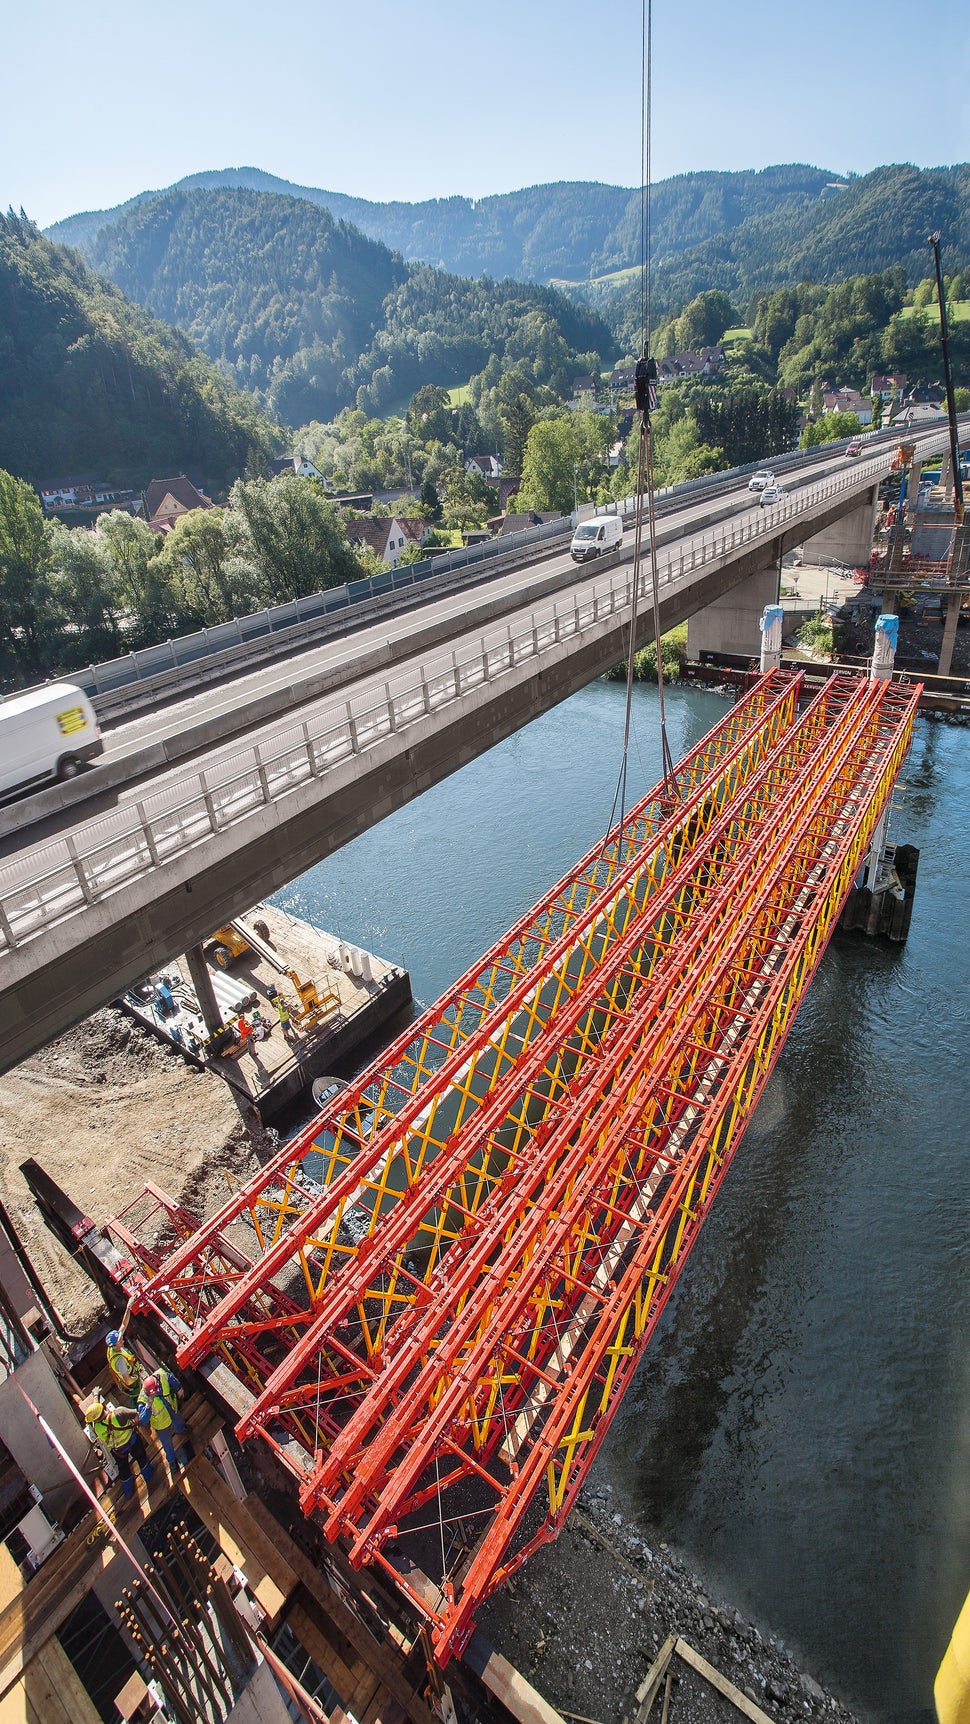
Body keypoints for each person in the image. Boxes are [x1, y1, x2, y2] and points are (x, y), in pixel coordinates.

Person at [84, 1398, 154, 1501]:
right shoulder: (119, 1413)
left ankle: (129, 1492)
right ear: (103, 1407)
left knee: (124, 1470)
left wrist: (95, 1397)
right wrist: (136, 1423)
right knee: (142, 1458)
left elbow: (97, 1415)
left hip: (119, 1451)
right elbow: (136, 1415)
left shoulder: (97, 1428)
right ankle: (149, 1476)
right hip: (132, 1441)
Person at [137, 1370, 193, 1469]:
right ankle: (172, 1461)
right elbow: (143, 1420)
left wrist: (179, 1388)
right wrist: (148, 1405)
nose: (156, 1393)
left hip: (171, 1408)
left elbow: (170, 1378)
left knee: (178, 1421)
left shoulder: (161, 1375)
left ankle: (181, 1429)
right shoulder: (143, 1400)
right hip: (162, 1424)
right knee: (167, 1444)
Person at [106, 1328, 141, 1407]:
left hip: (127, 1378)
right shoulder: (120, 1361)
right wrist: (135, 1377)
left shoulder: (111, 1347)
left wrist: (127, 1314)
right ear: (114, 1346)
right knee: (139, 1399)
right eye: (120, 1340)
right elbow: (128, 1381)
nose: (122, 1340)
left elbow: (123, 1325)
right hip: (132, 1384)